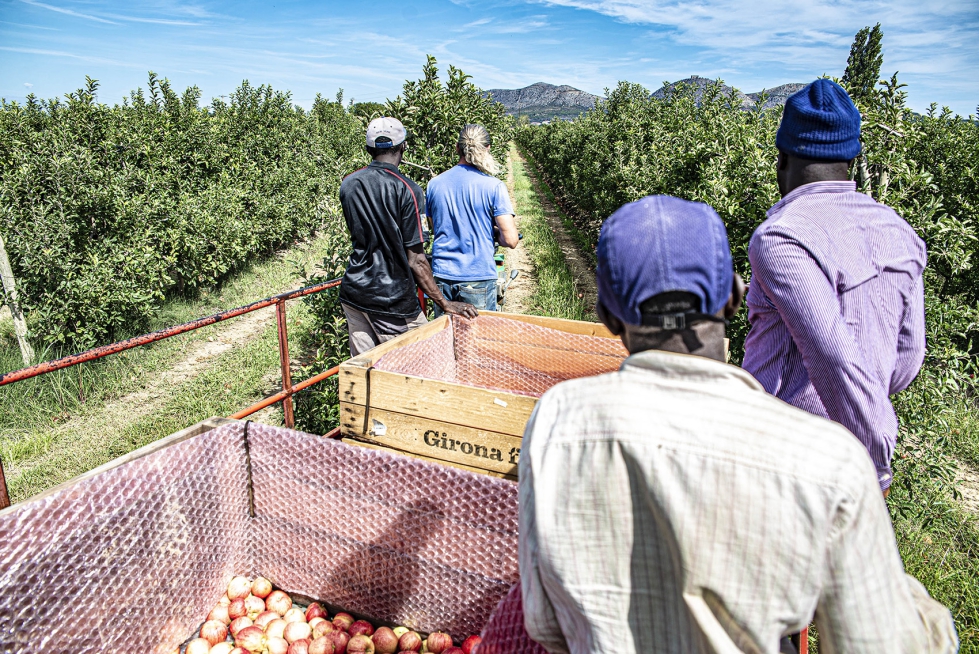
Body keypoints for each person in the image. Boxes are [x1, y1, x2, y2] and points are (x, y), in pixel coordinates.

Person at [518, 195, 956, 654]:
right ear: (734, 295)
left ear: (608, 316)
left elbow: (546, 623)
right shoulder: (827, 462)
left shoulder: (555, 423)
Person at [742, 79, 926, 494]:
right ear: (853, 156)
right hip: (844, 456)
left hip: (779, 457)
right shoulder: (899, 232)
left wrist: (874, 462)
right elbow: (908, 356)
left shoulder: (781, 238)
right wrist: (865, 406)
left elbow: (833, 355)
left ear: (782, 158)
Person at [339, 117, 478, 357]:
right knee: (422, 363)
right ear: (404, 146)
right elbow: (417, 260)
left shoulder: (349, 184)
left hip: (354, 295)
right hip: (391, 300)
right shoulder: (408, 190)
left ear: (368, 149)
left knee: (365, 370)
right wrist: (445, 303)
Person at [426, 124, 519, 316]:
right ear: (487, 148)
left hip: (443, 276)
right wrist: (494, 233)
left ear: (457, 148)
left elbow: (436, 228)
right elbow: (510, 240)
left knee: (448, 339)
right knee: (477, 341)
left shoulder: (435, 184)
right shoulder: (494, 187)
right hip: (477, 277)